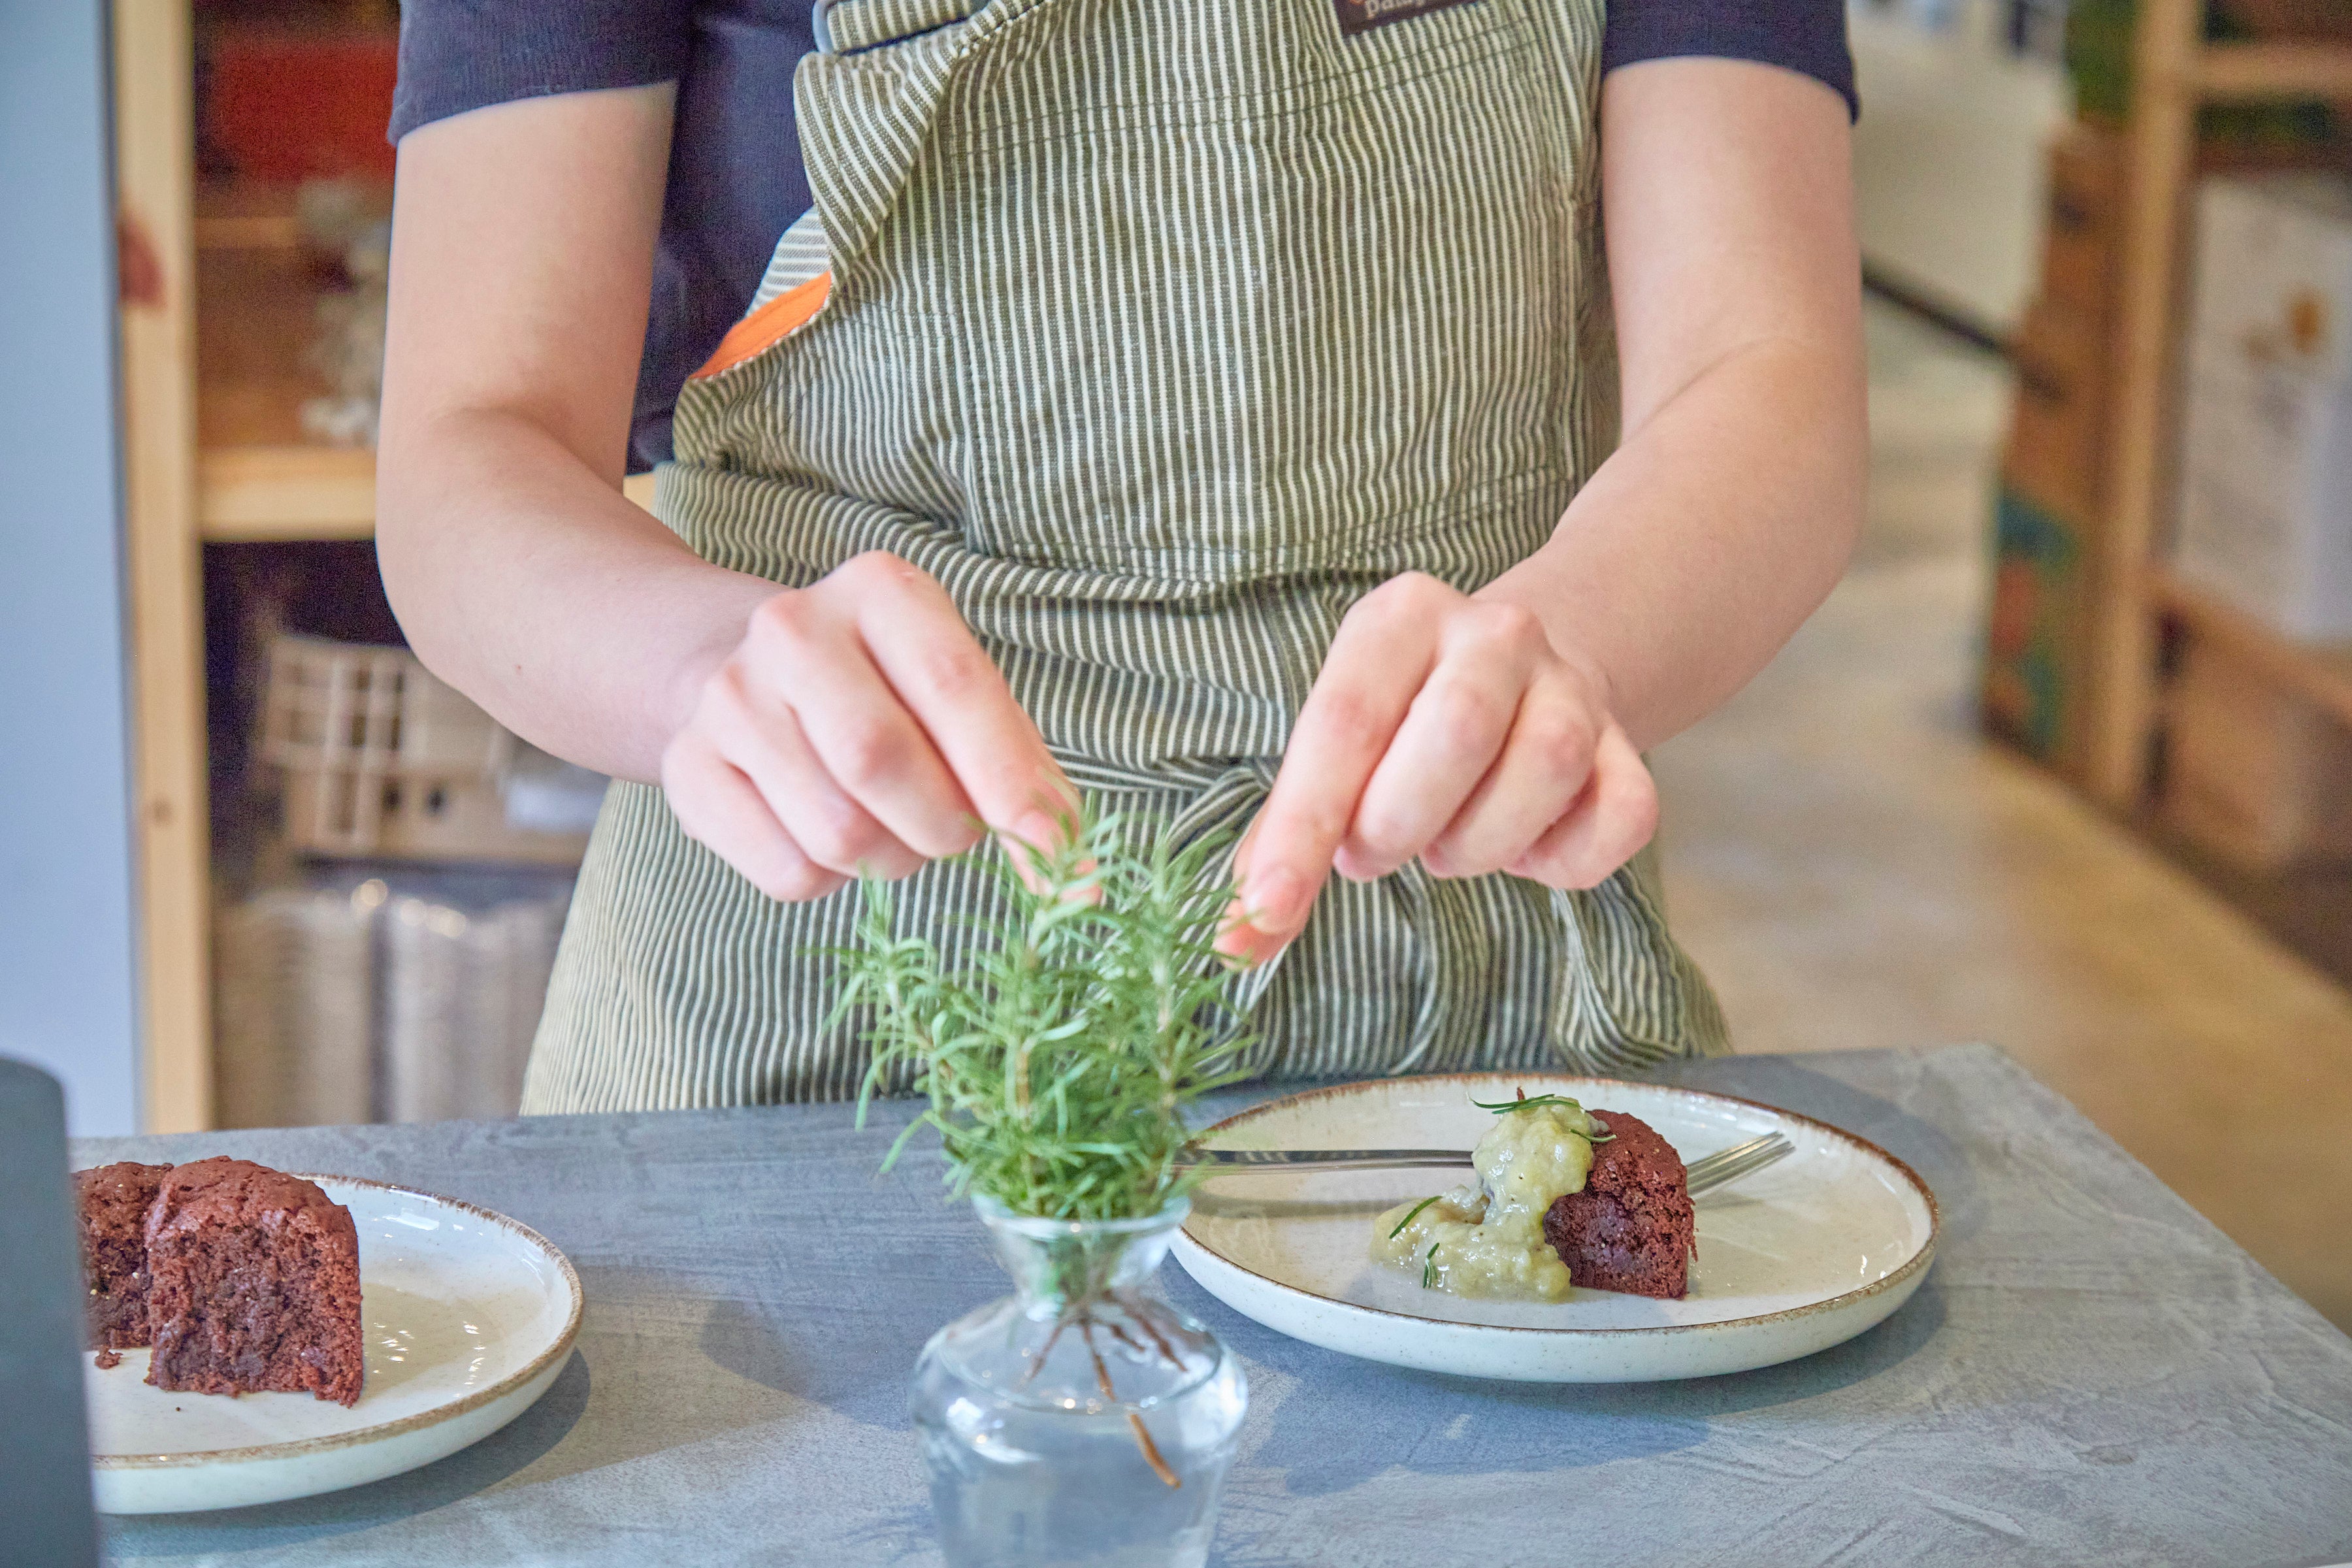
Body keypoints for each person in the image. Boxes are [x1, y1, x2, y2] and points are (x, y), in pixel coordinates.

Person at [375, 0, 1867, 1111]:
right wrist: (705, 671)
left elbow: (1761, 369)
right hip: (821, 1017)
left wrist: (1577, 645)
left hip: (1481, 1008)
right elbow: (474, 446)